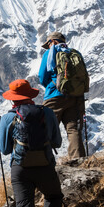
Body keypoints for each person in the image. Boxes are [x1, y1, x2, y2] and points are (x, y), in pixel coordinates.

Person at [0, 79, 69, 207]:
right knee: (53, 196)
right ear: (31, 96)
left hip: (20, 169)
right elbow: (57, 141)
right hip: (45, 164)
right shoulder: (46, 112)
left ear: (13, 100)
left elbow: (4, 149)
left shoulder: (7, 118)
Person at [38, 31, 89, 159]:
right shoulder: (75, 53)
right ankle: (78, 160)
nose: (48, 46)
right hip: (75, 96)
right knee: (73, 129)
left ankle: (44, 163)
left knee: (45, 130)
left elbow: (42, 77)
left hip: (54, 96)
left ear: (52, 41)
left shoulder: (50, 53)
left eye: (48, 43)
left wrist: (53, 86)